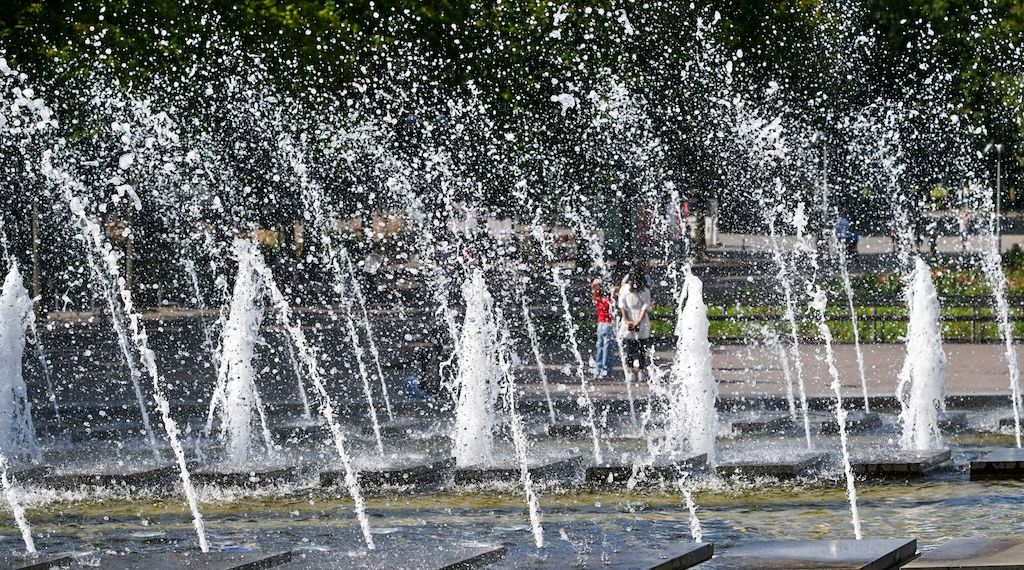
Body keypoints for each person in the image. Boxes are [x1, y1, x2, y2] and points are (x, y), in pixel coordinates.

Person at [617, 262, 653, 385]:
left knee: (632, 347)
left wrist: (630, 320)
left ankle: (634, 371)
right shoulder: (644, 290)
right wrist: (635, 320)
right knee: (638, 347)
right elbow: (644, 306)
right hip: (638, 317)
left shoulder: (627, 289)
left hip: (634, 317)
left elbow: (623, 305)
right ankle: (638, 370)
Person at [591, 278, 615, 378]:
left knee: (599, 348)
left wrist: (595, 285)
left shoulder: (598, 300)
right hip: (608, 325)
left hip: (600, 325)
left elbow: (593, 291)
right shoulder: (609, 301)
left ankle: (598, 369)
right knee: (607, 349)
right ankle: (605, 370)